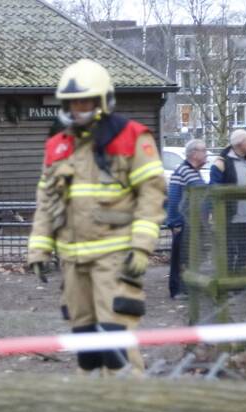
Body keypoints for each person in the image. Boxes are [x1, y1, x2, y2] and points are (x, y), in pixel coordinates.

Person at [26, 59, 166, 374]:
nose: (78, 108)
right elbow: (46, 200)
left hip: (115, 256)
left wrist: (142, 246)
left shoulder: (131, 137)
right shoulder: (57, 146)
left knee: (116, 341)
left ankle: (130, 409)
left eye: (85, 100)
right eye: (72, 102)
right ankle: (93, 411)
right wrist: (39, 248)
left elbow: (151, 193)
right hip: (73, 261)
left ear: (102, 100)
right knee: (86, 346)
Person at [209, 129, 246, 272]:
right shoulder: (221, 163)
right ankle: (228, 283)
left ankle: (238, 281)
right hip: (229, 218)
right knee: (229, 252)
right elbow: (213, 188)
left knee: (245, 252)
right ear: (239, 143)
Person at [166, 138, 207, 298]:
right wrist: (175, 223)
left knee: (190, 256)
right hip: (183, 224)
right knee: (180, 257)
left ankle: (188, 287)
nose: (206, 154)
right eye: (203, 151)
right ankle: (177, 290)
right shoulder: (182, 171)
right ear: (193, 154)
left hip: (193, 223)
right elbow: (174, 198)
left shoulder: (194, 171)